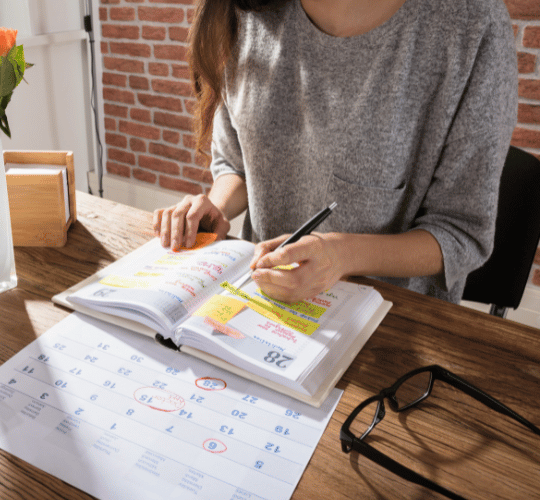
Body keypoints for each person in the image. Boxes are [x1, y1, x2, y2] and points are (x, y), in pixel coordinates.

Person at [153, 0, 518, 304]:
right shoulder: (248, 9)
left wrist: (341, 256)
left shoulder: (471, 24)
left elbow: (460, 233)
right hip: (261, 302)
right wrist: (216, 206)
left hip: (390, 323)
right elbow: (238, 163)